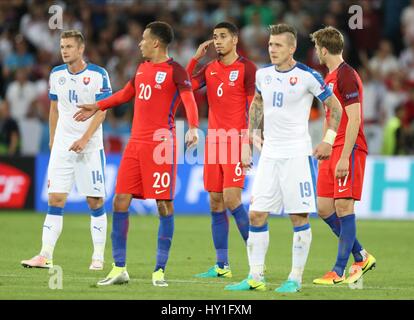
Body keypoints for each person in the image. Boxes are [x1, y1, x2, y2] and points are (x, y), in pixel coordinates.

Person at [74, 21, 199, 287]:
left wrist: (194, 128)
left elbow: (189, 99)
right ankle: (119, 267)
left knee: (163, 204)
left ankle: (159, 271)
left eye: (143, 39)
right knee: (120, 201)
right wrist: (96, 106)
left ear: (156, 42)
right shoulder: (141, 68)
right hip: (135, 144)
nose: (139, 43)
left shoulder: (175, 71)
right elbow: (124, 95)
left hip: (160, 146)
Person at [225, 23, 343, 293]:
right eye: (270, 45)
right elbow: (256, 103)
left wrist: (328, 140)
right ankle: (256, 277)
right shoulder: (263, 75)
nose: (272, 49)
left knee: (298, 216)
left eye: (278, 45)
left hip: (296, 155)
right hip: (269, 155)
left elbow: (334, 106)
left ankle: (295, 278)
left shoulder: (308, 76)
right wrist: (250, 138)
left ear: (291, 48)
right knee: (256, 215)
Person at [21, 30, 111, 271]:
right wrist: (52, 140)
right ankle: (45, 255)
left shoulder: (98, 75)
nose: (64, 50)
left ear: (81, 49)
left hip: (89, 147)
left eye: (69, 46)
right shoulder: (56, 74)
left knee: (94, 200)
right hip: (62, 146)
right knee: (55, 199)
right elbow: (54, 109)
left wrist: (84, 138)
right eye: (62, 46)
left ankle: (98, 256)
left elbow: (103, 110)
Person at [186, 22, 256, 279]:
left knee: (231, 199)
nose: (217, 41)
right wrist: (194, 60)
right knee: (215, 202)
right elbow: (185, 86)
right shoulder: (210, 69)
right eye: (215, 37)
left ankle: (256, 263)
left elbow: (254, 108)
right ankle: (222, 265)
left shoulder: (247, 69)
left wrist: (248, 143)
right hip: (214, 141)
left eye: (223, 37)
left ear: (235, 39)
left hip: (236, 141)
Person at [311, 26, 376, 285]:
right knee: (324, 208)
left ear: (324, 50)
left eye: (317, 48)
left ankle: (338, 271)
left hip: (348, 148)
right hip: (333, 147)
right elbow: (333, 118)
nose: (316, 53)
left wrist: (343, 155)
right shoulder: (329, 78)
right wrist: (326, 143)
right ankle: (361, 254)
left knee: (343, 206)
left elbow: (355, 119)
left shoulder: (346, 75)